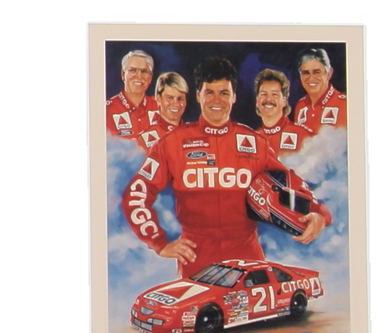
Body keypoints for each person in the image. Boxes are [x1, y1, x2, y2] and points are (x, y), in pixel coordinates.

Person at [122, 58, 331, 278]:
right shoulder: (172, 142)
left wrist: (319, 214)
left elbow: (290, 181)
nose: (217, 100)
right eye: (209, 92)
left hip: (247, 258)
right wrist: (159, 243)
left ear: (233, 97)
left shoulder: (254, 143)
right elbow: (136, 194)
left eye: (223, 93)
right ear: (198, 96)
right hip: (196, 259)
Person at [254, 68, 313, 158]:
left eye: (274, 94)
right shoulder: (253, 139)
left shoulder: (302, 135)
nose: (268, 99)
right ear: (257, 101)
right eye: (263, 94)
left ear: (284, 101)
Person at [106, 50, 159, 141]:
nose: (139, 76)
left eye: (144, 71)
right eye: (132, 70)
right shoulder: (106, 110)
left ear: (150, 77)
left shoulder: (160, 107)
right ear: (123, 75)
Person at [293, 49, 347, 134]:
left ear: (328, 74)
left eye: (316, 72)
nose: (311, 78)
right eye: (306, 73)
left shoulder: (344, 104)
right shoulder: (300, 105)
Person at [138, 72, 189, 149]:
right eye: (170, 98)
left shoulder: (193, 134)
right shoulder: (143, 140)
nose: (175, 104)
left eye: (180, 99)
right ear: (158, 99)